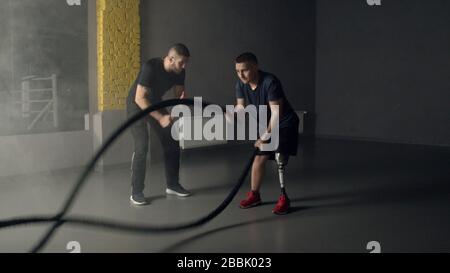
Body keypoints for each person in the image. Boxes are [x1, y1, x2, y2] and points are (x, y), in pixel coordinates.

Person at [233, 52, 299, 215]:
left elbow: (277, 113)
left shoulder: (270, 82)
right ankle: (254, 195)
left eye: (245, 70)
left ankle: (284, 198)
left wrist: (265, 136)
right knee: (259, 158)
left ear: (255, 67)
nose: (241, 74)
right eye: (237, 71)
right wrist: (230, 114)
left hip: (284, 123)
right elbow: (241, 108)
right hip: (266, 124)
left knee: (279, 159)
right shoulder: (240, 84)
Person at [126, 43, 191, 206]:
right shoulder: (151, 67)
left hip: (155, 102)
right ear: (170, 59)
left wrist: (179, 103)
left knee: (172, 138)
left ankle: (173, 185)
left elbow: (178, 94)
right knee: (142, 147)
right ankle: (136, 191)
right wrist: (161, 118)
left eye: (185, 63)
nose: (184, 66)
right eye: (181, 62)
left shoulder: (180, 72)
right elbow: (139, 98)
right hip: (136, 105)